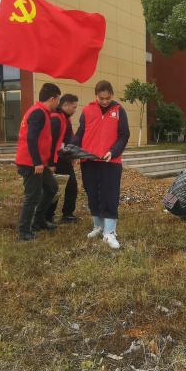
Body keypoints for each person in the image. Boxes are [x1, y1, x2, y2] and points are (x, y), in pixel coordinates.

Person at [74, 80, 130, 250]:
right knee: (92, 194)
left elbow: (124, 135)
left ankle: (110, 232)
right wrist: (73, 150)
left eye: (108, 98)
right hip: (89, 160)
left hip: (110, 161)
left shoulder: (119, 110)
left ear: (112, 95)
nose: (105, 101)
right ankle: (98, 226)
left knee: (110, 195)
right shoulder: (87, 110)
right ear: (96, 96)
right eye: (101, 98)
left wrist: (114, 151)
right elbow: (80, 133)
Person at [14, 83, 63, 241]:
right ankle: (24, 232)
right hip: (31, 163)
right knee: (33, 196)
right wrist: (37, 162)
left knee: (51, 187)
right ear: (52, 99)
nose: (58, 103)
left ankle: (39, 221)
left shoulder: (42, 112)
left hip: (39, 162)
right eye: (58, 100)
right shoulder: (38, 113)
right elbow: (31, 138)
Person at [47, 93, 80, 225]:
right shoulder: (56, 118)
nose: (75, 110)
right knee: (56, 188)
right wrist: (51, 163)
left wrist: (73, 155)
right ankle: (48, 215)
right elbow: (52, 142)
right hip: (57, 160)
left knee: (71, 186)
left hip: (65, 158)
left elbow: (68, 139)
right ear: (65, 105)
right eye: (74, 107)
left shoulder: (65, 118)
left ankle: (67, 214)